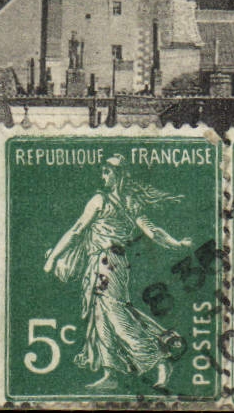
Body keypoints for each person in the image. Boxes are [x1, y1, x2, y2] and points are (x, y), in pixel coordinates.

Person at [43, 155, 193, 389]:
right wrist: (54, 257)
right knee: (100, 317)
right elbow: (78, 230)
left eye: (107, 172)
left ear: (120, 174)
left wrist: (176, 243)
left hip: (110, 264)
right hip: (101, 264)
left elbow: (152, 231)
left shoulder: (113, 201)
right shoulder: (106, 200)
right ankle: (110, 372)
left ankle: (160, 361)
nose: (103, 176)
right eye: (102, 172)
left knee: (116, 316)